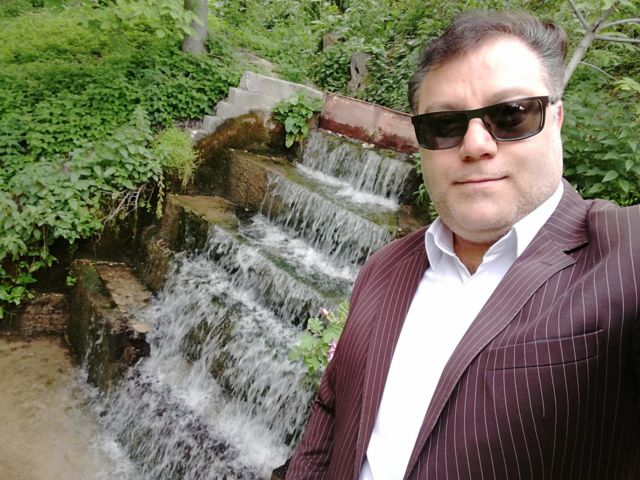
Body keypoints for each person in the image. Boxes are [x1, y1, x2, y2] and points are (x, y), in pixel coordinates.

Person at [285, 9, 640, 480]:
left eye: (511, 114)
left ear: (557, 118)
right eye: (445, 124)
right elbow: (330, 415)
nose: (475, 144)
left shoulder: (622, 256)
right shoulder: (384, 268)